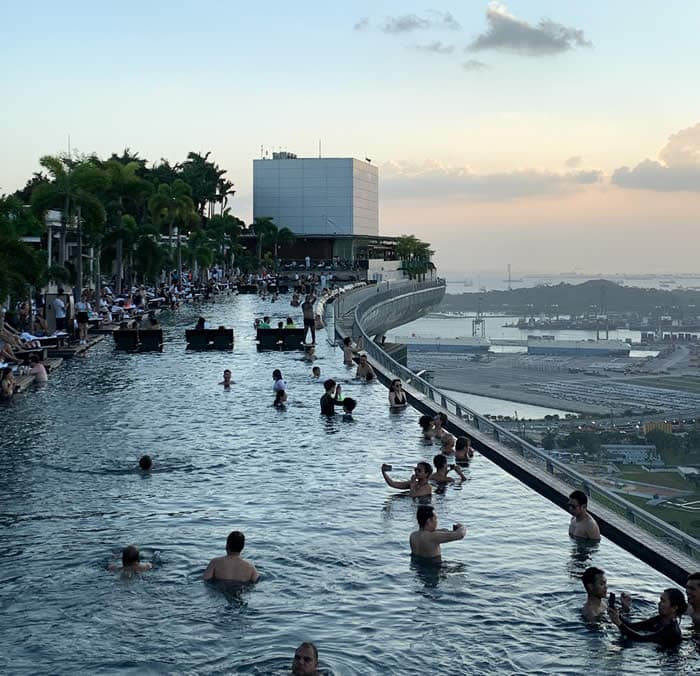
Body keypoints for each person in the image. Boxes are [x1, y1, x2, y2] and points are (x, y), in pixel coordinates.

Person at [608, 588, 686, 647]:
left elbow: (641, 639)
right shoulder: (659, 619)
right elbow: (635, 627)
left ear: (674, 608)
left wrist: (619, 623)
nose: (659, 603)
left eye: (663, 601)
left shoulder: (672, 631)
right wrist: (617, 615)